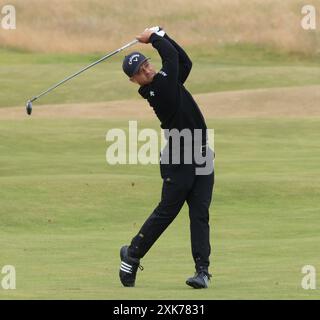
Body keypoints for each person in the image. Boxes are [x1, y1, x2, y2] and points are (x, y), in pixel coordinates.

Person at [119, 27, 215, 289]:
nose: (146, 71)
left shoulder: (167, 81)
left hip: (202, 153)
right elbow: (171, 58)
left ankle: (202, 272)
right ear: (134, 81)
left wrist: (163, 34)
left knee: (200, 213)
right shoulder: (159, 89)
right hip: (179, 156)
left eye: (146, 65)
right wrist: (155, 37)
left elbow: (184, 62)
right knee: (167, 212)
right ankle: (133, 253)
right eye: (140, 72)